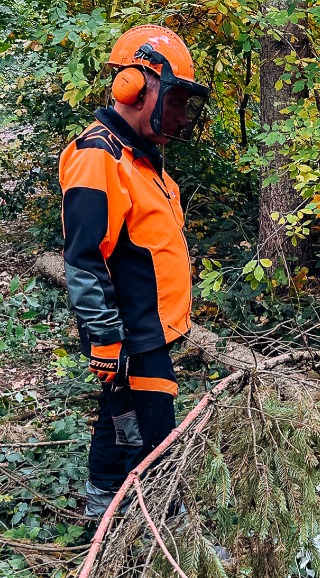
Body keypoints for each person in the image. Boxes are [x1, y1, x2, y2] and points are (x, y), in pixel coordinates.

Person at [59, 24, 209, 516]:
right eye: (177, 99)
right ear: (136, 86)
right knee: (153, 433)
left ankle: (105, 504)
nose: (181, 114)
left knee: (123, 419)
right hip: (129, 331)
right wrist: (105, 339)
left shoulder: (143, 161)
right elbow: (83, 259)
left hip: (150, 329)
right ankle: (159, 521)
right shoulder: (97, 157)